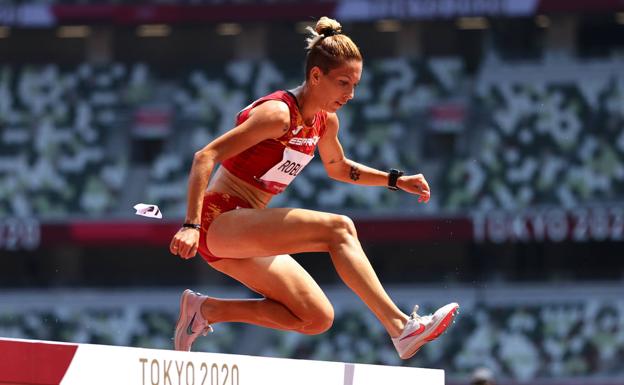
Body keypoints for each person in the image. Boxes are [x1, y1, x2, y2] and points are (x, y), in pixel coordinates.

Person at [169, 16, 459, 360]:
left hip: (244, 228)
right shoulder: (278, 114)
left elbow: (339, 167)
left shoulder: (325, 121)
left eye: (355, 85)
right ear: (316, 76)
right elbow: (206, 155)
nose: (350, 94)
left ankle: (206, 311)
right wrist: (191, 224)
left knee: (316, 317)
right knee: (340, 229)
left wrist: (395, 180)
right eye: (343, 83)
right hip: (219, 220)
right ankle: (401, 328)